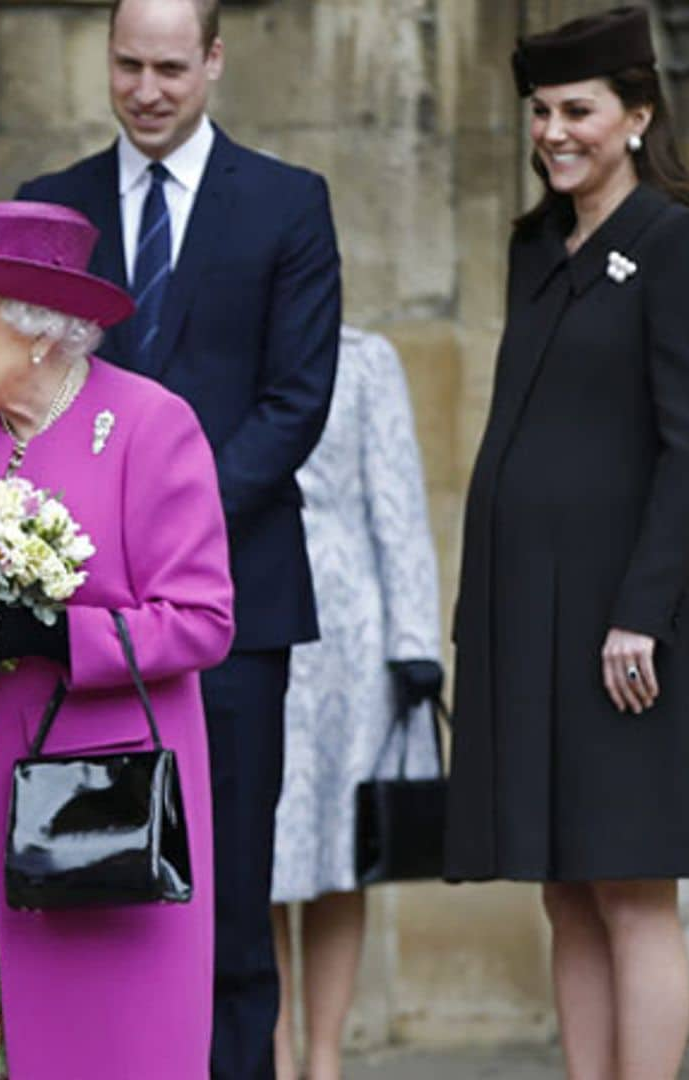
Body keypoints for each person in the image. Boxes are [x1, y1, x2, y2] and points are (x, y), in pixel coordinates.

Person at [16, 2, 341, 1073]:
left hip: (232, 617)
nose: (146, 89)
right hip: (69, 622)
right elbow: (12, 399)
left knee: (228, 903)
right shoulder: (49, 210)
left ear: (213, 59)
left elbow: (293, 406)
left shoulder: (290, 206)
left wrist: (158, 535)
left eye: (168, 67)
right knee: (80, 899)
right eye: (127, 65)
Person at [0, 199, 234, 1077]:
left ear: (37, 329)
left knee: (104, 1044)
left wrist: (55, 633)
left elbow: (203, 619)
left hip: (93, 799)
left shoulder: (151, 424)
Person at [450, 8, 689, 1078]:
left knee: (630, 882)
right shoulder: (535, 245)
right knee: (562, 884)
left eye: (578, 110)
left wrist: (639, 614)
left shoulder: (679, 241)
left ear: (637, 115)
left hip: (628, 625)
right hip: (529, 616)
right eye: (540, 111)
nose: (554, 131)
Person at [268, 326, 442, 1080]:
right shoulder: (216, 338)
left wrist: (415, 643)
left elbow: (398, 502)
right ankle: (266, 1056)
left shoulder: (366, 357)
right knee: (260, 858)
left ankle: (326, 1061)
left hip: (348, 632)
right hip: (245, 617)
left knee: (343, 850)